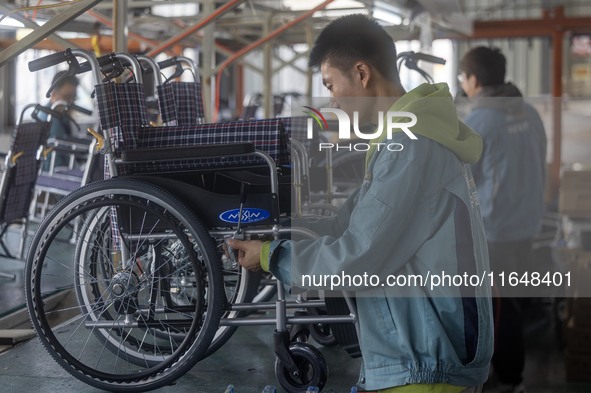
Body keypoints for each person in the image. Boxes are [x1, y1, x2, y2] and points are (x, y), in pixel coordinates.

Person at [229, 14, 493, 392]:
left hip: (428, 363)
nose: (332, 99)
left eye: (331, 84)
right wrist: (281, 229)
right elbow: (346, 225)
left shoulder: (411, 148)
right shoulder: (405, 139)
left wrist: (274, 256)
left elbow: (356, 255)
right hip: (421, 349)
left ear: (362, 73)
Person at [459, 47, 547, 393]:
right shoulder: (529, 112)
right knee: (511, 302)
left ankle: (508, 380)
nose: (464, 85)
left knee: (498, 308)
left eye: (463, 79)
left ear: (474, 80)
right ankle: (509, 374)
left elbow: (462, 177)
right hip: (526, 225)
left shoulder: (479, 121)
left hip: (495, 230)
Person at [40, 70, 80, 169]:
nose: (70, 102)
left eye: (73, 97)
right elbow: (58, 159)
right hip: (52, 172)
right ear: (53, 95)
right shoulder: (49, 119)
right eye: (66, 97)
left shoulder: (62, 115)